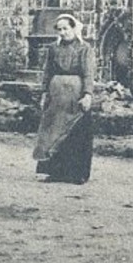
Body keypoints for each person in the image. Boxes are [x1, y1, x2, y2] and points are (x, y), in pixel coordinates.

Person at [33, 13, 95, 184]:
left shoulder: (85, 48)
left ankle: (77, 174)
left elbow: (88, 74)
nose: (62, 32)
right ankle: (55, 172)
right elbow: (47, 72)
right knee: (52, 130)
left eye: (65, 28)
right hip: (56, 95)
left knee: (74, 130)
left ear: (74, 28)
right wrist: (44, 92)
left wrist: (88, 94)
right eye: (59, 29)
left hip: (75, 95)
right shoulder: (53, 48)